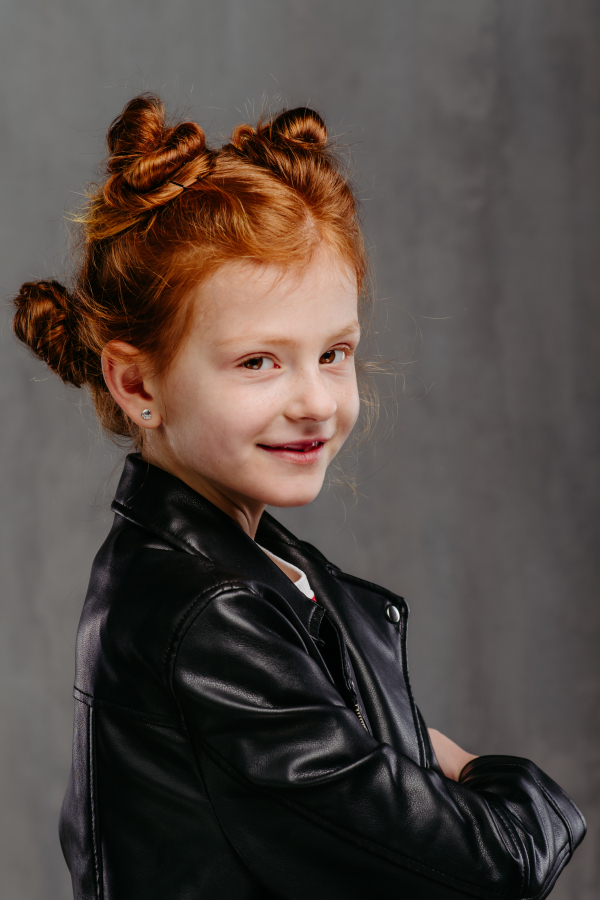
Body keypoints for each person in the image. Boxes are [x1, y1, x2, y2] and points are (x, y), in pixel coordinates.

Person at [13, 93, 584, 900]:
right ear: (137, 382)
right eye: (259, 362)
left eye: (335, 353)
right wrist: (513, 787)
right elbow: (486, 869)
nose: (316, 401)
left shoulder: (257, 568)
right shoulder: (208, 618)